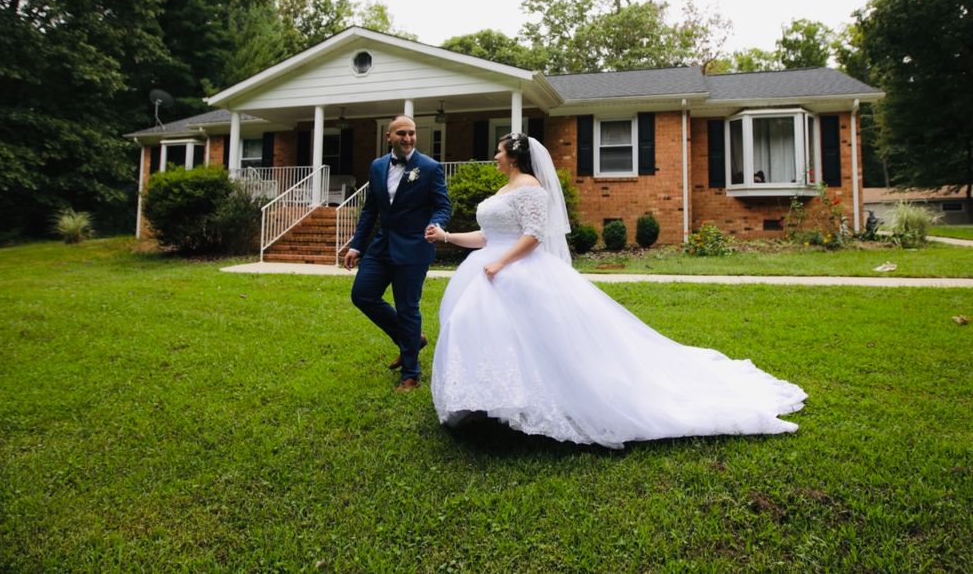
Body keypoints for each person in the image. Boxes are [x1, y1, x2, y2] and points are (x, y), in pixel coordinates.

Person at [424, 132, 806, 448]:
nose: (495, 156)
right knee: (483, 335)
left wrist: (502, 262)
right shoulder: (506, 188)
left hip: (515, 271)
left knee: (534, 343)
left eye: (500, 151)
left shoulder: (531, 189)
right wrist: (446, 236)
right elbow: (488, 236)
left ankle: (528, 406)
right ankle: (489, 404)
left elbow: (534, 236)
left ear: (514, 156)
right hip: (488, 269)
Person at [345, 115, 452, 391]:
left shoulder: (429, 168)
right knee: (362, 294)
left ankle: (411, 374)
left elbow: (443, 206)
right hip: (381, 246)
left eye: (412, 133)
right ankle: (412, 340)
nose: (407, 138)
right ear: (389, 137)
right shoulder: (377, 166)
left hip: (414, 247)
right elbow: (370, 210)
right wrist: (357, 244)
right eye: (401, 133)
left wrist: (436, 225)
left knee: (407, 309)